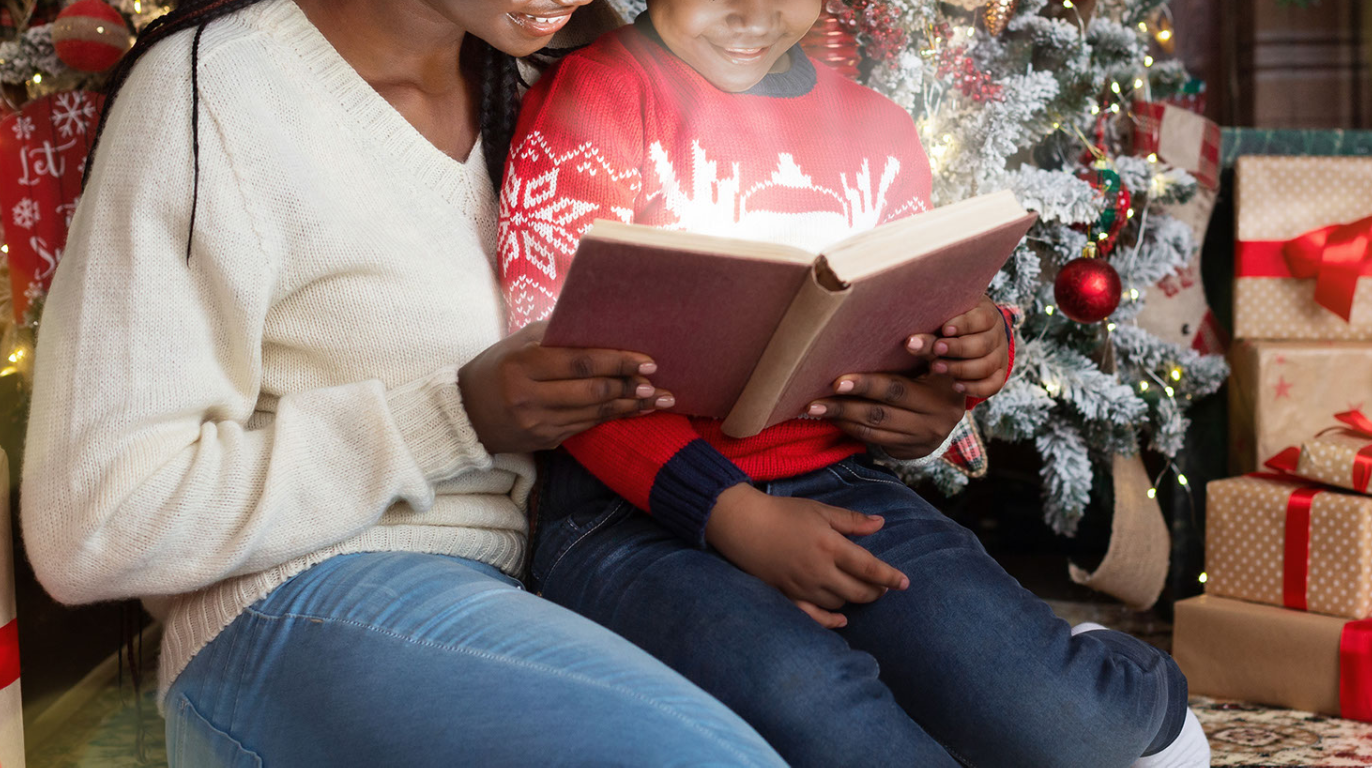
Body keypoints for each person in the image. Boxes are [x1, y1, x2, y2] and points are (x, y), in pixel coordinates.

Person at [20, 1, 795, 764]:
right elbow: (94, 519)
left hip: (574, 574)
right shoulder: (219, 91)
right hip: (306, 603)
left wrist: (885, 388)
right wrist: (452, 417)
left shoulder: (573, 79)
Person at [497, 0, 1211, 765]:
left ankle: (1104, 678)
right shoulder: (597, 97)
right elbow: (566, 374)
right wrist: (731, 517)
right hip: (624, 520)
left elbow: (912, 311)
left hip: (842, 493)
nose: (750, 13)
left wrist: (971, 352)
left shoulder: (879, 130)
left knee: (1068, 718)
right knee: (824, 710)